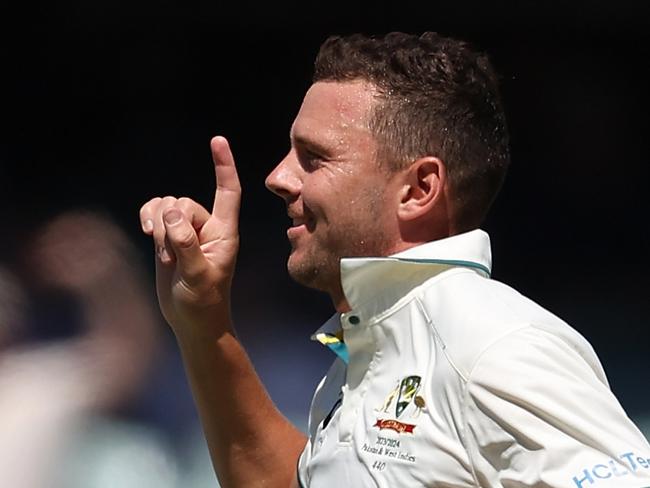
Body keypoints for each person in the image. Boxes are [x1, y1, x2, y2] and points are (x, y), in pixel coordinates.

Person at [139, 32, 650, 488]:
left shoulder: (495, 345)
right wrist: (202, 324)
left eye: (313, 157)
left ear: (419, 189)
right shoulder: (378, 340)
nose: (278, 177)